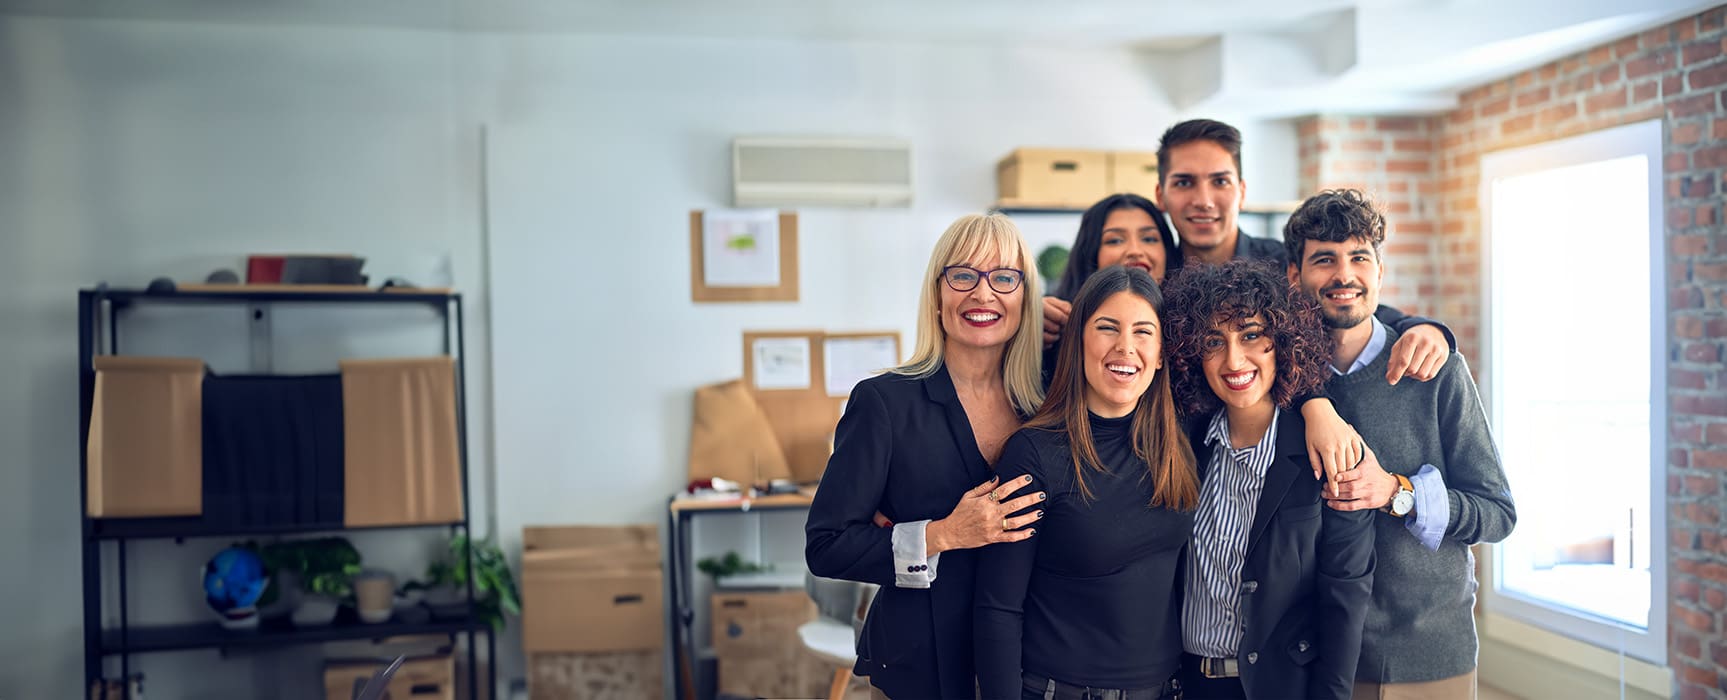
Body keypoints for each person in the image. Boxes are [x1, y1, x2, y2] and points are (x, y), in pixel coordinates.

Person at [1282, 189, 1516, 699]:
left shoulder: (1436, 371)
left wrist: (1395, 491)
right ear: (1294, 277)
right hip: (1311, 656)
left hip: (1429, 656)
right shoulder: (1278, 384)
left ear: (1380, 273)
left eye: (1360, 258)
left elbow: (1497, 513)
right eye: (1325, 259)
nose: (1345, 275)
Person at [806, 213, 1051, 700]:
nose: (984, 294)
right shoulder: (885, 403)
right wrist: (941, 535)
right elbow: (827, 544)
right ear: (938, 296)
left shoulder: (1048, 405)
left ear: (1026, 298)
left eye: (1005, 277)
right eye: (963, 275)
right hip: (923, 666)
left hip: (1035, 665)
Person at [974, 265, 1197, 700]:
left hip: (1167, 690)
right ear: (1078, 341)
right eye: (1107, 328)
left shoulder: (1178, 441)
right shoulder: (1034, 451)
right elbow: (997, 607)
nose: (1125, 347)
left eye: (1143, 331)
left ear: (1162, 351)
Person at [1163, 261, 1375, 700]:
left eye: (1251, 335)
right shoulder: (1186, 444)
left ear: (1283, 342)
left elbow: (1344, 604)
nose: (1233, 359)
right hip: (1186, 684)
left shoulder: (1329, 450)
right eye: (1212, 342)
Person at [1151, 118, 1454, 386]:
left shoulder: (1281, 266)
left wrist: (1424, 328)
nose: (1204, 200)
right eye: (1184, 183)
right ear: (1160, 195)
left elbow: (1347, 303)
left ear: (1241, 192)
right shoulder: (1155, 279)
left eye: (1220, 181)